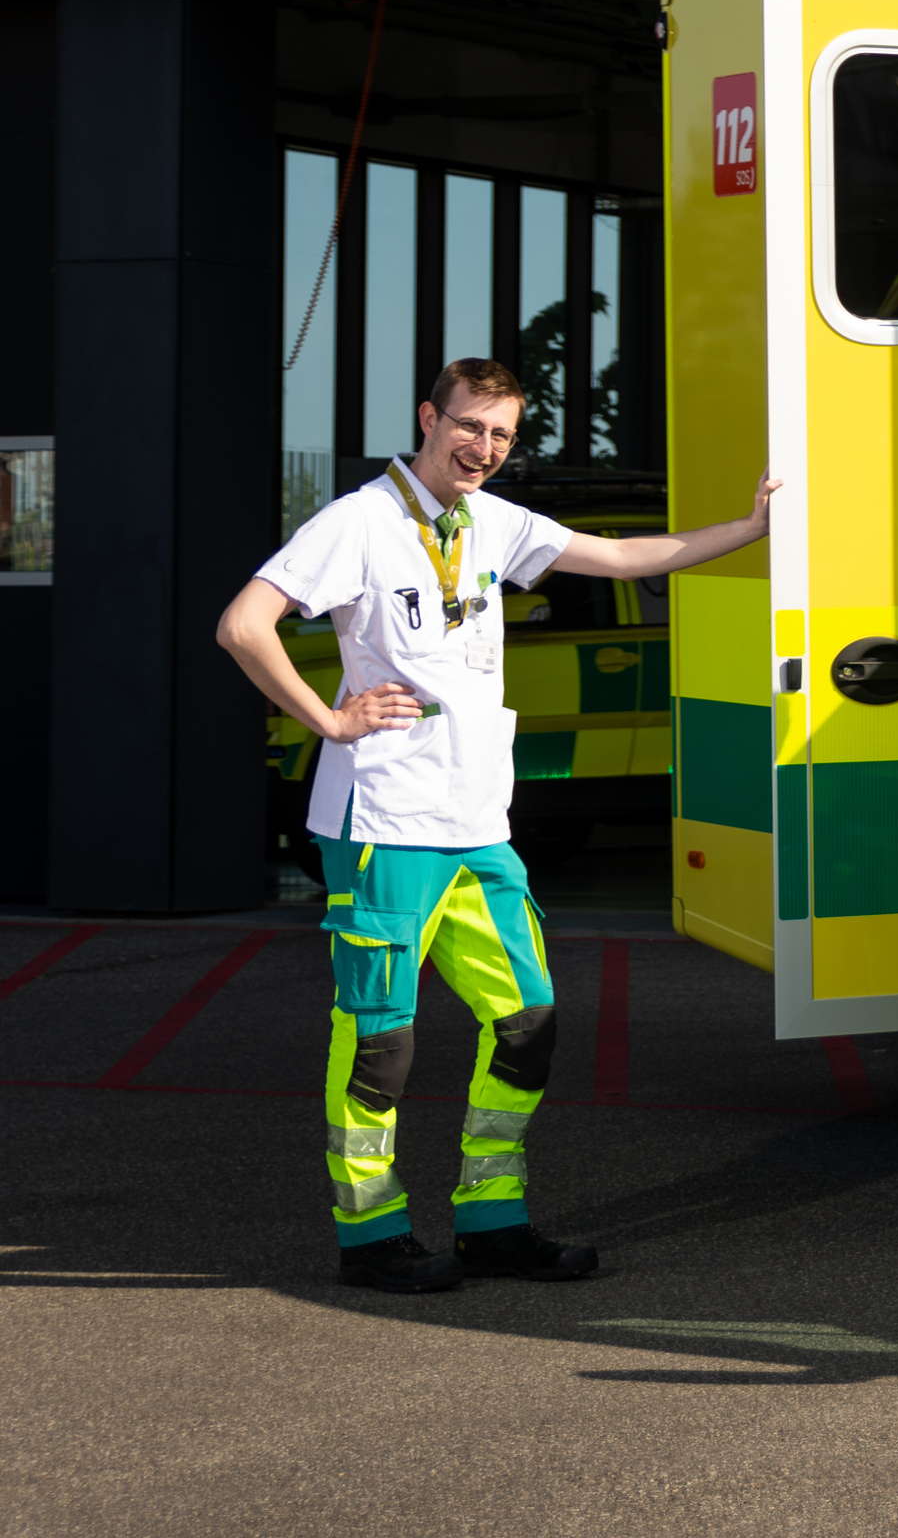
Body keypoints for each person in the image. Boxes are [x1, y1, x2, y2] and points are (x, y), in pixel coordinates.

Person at [214, 357, 779, 1295]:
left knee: (527, 1022)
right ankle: (371, 1235)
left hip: (479, 826)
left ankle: (492, 1219)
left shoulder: (490, 523)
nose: (484, 448)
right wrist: (329, 720)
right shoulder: (361, 521)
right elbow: (245, 625)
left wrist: (750, 529)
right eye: (469, 427)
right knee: (381, 1038)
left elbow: (625, 556)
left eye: (502, 436)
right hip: (383, 823)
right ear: (430, 419)